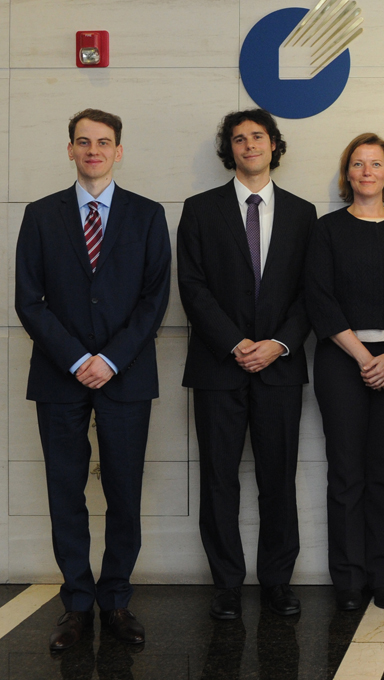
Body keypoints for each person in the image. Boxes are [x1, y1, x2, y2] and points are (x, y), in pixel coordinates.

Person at [15, 109, 170, 651]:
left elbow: (154, 299)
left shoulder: (148, 214)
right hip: (59, 376)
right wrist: (79, 358)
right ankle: (77, 604)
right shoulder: (40, 214)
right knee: (66, 493)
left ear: (118, 151)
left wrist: (111, 359)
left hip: (126, 376)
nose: (93, 150)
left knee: (124, 492)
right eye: (83, 142)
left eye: (103, 142)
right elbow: (29, 300)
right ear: (70, 150)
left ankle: (117, 601)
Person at [177, 108, 317, 620]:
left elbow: (311, 292)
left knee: (279, 478)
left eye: (258, 137)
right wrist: (235, 343)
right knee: (219, 479)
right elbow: (191, 287)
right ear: (229, 149)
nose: (249, 145)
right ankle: (227, 585)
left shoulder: (302, 213)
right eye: (239, 139)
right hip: (218, 367)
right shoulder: (200, 209)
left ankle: (277, 581)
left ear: (274, 145)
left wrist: (278, 343)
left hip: (280, 367)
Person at [305, 133, 384, 612]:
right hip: (341, 359)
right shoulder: (326, 229)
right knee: (346, 473)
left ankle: (382, 576)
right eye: (358, 164)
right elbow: (319, 298)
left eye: (375, 164)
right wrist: (362, 357)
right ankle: (349, 580)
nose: (367, 171)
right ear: (347, 174)